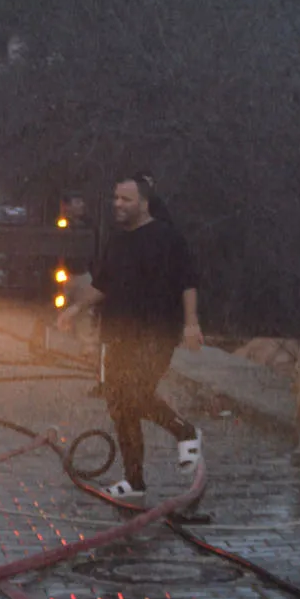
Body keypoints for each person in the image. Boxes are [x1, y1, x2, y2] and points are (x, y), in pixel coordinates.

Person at [68, 172, 202, 500]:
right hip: (117, 335)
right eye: (115, 198)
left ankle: (184, 431)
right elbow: (102, 285)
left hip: (157, 333)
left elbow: (188, 282)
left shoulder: (167, 238)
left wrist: (191, 323)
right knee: (119, 405)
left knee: (138, 393)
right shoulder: (116, 241)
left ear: (143, 203)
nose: (118, 204)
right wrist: (74, 310)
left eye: (125, 199)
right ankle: (134, 481)